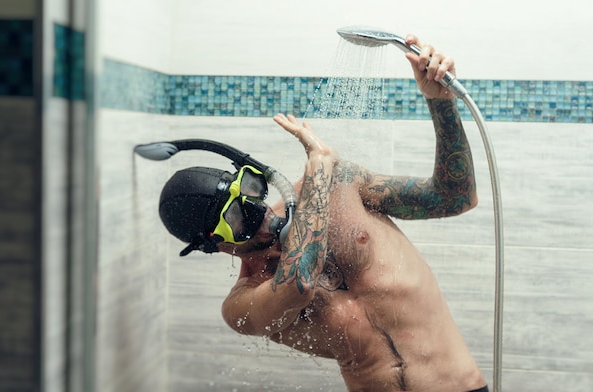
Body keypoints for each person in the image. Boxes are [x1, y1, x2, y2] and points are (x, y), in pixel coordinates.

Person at [159, 34, 488, 392]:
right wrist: (318, 166)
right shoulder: (242, 305)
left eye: (253, 191)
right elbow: (298, 285)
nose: (263, 214)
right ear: (215, 244)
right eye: (238, 218)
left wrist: (440, 102)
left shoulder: (339, 185)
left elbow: (454, 197)